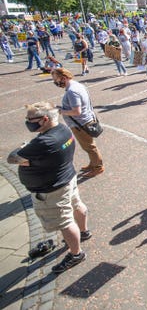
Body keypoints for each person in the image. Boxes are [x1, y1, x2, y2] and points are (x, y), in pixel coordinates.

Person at [7, 102, 90, 273]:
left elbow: (12, 158)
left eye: (30, 119)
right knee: (76, 205)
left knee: (65, 222)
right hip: (67, 178)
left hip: (52, 189)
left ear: (44, 119)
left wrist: (24, 151)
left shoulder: (44, 142)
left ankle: (76, 254)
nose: (28, 122)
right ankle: (83, 232)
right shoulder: (63, 130)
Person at [51, 68, 104, 177]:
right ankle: (93, 163)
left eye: (56, 79)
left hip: (80, 124)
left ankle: (98, 167)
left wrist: (60, 111)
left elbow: (76, 111)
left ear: (64, 78)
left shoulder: (72, 91)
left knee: (89, 147)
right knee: (88, 146)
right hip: (86, 121)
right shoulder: (77, 85)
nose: (55, 82)